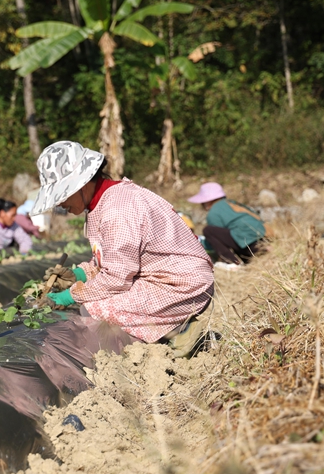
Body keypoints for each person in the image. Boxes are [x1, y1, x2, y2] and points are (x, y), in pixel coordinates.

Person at [32, 141, 214, 356]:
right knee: (93, 303)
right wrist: (78, 275)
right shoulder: (104, 202)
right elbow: (110, 261)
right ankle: (166, 332)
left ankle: (180, 333)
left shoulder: (118, 209)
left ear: (81, 184)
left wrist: (69, 296)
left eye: (62, 195)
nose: (60, 204)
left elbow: (116, 278)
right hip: (161, 278)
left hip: (179, 285)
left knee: (93, 310)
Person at [188, 182, 266, 269]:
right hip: (262, 240)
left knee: (208, 231)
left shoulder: (214, 212)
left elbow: (218, 240)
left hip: (249, 244)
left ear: (208, 201)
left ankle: (232, 262)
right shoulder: (232, 203)